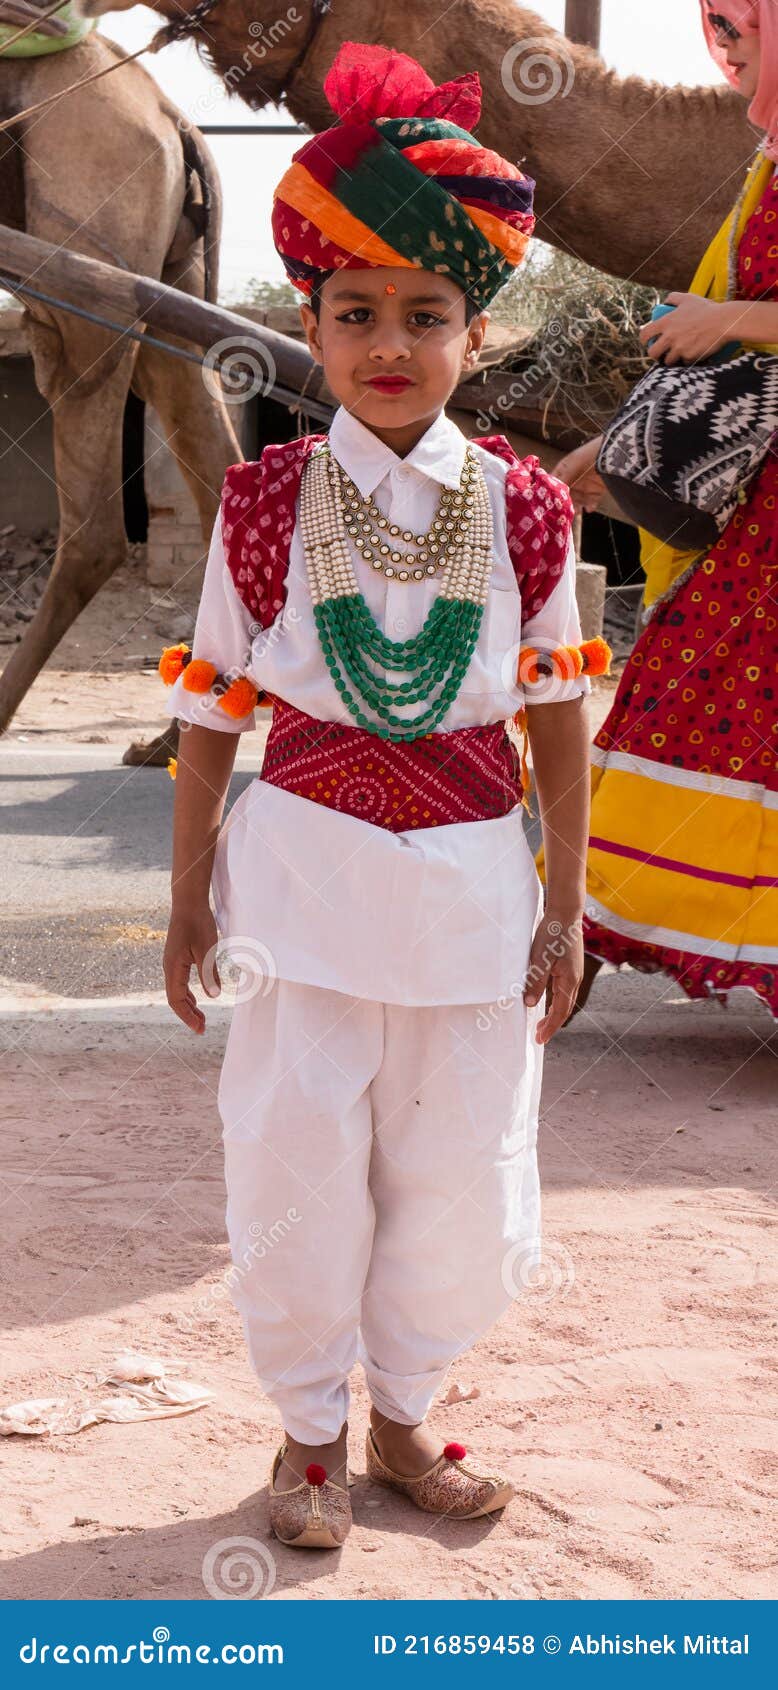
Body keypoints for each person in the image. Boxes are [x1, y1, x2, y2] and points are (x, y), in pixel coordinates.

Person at [159, 40, 604, 1551]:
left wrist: (566, 902)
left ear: (476, 334)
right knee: (293, 1161)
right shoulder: (265, 500)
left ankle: (405, 1414)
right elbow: (212, 713)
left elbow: (556, 721)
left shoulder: (529, 510)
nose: (388, 344)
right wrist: (180, 908)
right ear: (312, 325)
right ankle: (304, 1438)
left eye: (426, 315)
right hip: (294, 898)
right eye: (357, 316)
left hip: (475, 899)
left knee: (462, 1171)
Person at [553, 1, 778, 1022]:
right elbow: (718, 360)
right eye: (718, 30)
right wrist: (625, 446)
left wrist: (725, 318)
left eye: (744, 29)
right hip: (755, 498)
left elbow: (722, 330)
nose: (727, 52)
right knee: (690, 698)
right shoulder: (767, 157)